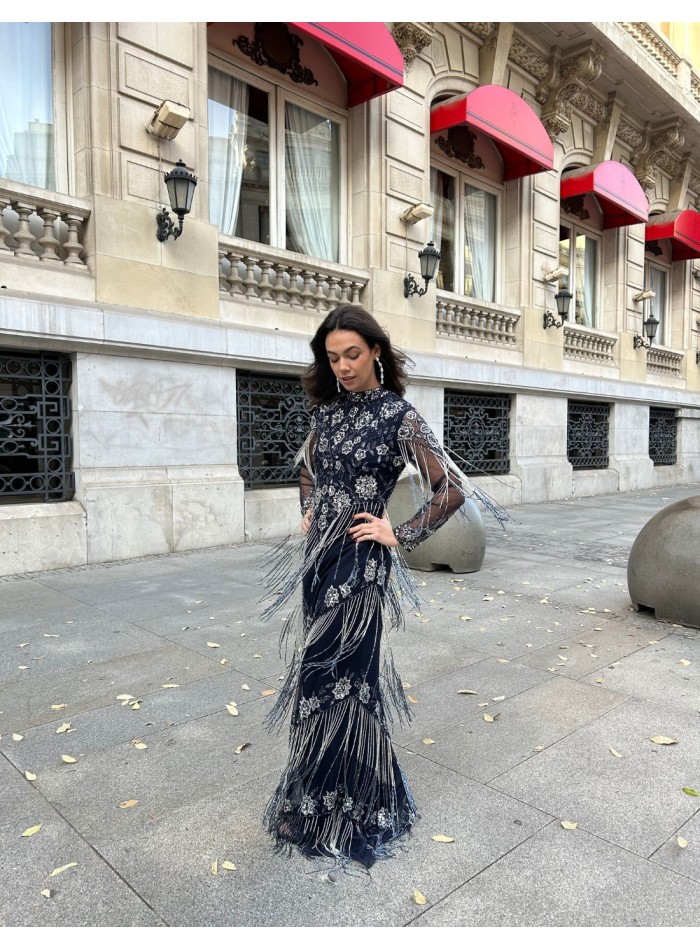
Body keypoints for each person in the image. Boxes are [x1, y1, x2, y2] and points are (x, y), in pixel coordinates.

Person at [261, 303, 507, 870]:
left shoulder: (399, 416)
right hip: (318, 560)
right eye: (332, 357)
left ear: (375, 350)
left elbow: (449, 490)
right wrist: (307, 508)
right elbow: (307, 468)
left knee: (343, 675)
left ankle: (360, 801)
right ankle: (318, 796)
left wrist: (399, 533)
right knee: (318, 677)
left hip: (362, 563)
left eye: (352, 354)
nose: (343, 366)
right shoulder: (326, 413)